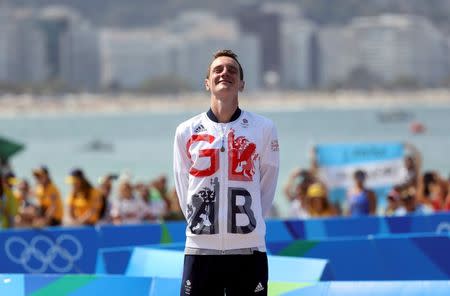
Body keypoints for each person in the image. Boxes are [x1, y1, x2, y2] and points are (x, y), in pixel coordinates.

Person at [173, 49, 279, 296]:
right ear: (207, 83)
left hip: (249, 250)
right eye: (217, 70)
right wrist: (202, 226)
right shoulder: (186, 131)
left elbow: (268, 181)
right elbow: (183, 186)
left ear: (241, 83)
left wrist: (245, 226)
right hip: (200, 250)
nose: (225, 73)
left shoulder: (263, 128)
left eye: (232, 70)